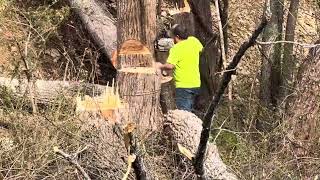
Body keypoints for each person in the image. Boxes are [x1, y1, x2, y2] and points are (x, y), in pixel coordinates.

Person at [156, 24, 203, 112]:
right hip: (196, 83)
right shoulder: (194, 41)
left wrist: (160, 66)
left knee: (184, 114)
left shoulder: (176, 49)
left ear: (177, 36)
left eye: (173, 37)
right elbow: (201, 49)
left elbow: (170, 66)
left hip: (184, 86)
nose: (172, 39)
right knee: (192, 113)